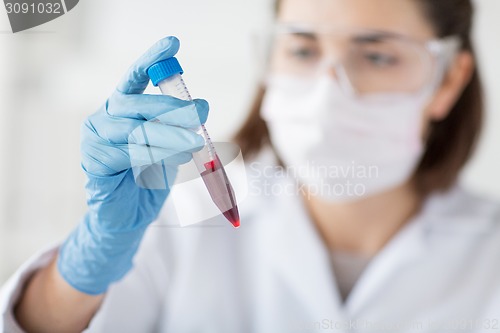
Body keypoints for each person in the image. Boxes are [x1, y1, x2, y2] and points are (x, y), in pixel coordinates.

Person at [2, 0, 500, 332]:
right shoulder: (177, 217)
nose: (329, 91)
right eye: (303, 49)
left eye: (377, 55)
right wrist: (85, 266)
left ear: (448, 80)